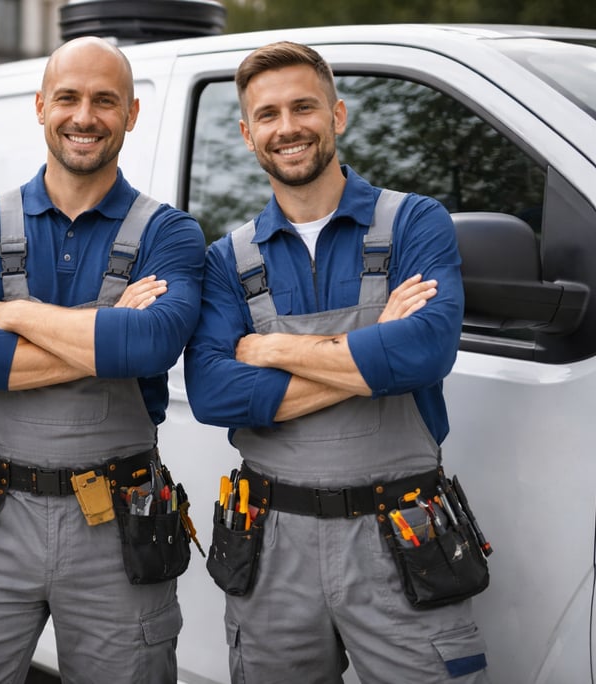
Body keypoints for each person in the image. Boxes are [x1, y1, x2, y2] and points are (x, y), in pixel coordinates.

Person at [184, 42, 490, 682]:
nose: (287, 127)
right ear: (247, 134)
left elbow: (427, 352)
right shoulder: (226, 258)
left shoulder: (415, 223)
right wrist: (374, 348)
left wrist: (268, 350)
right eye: (268, 115)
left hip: (403, 536)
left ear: (338, 115)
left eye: (304, 107)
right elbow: (213, 393)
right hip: (271, 549)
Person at [0, 36, 206, 683]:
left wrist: (9, 314)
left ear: (131, 114)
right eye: (68, 97)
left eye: (106, 101)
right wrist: (105, 337)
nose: (84, 115)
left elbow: (152, 344)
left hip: (119, 523)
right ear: (41, 105)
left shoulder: (169, 232)